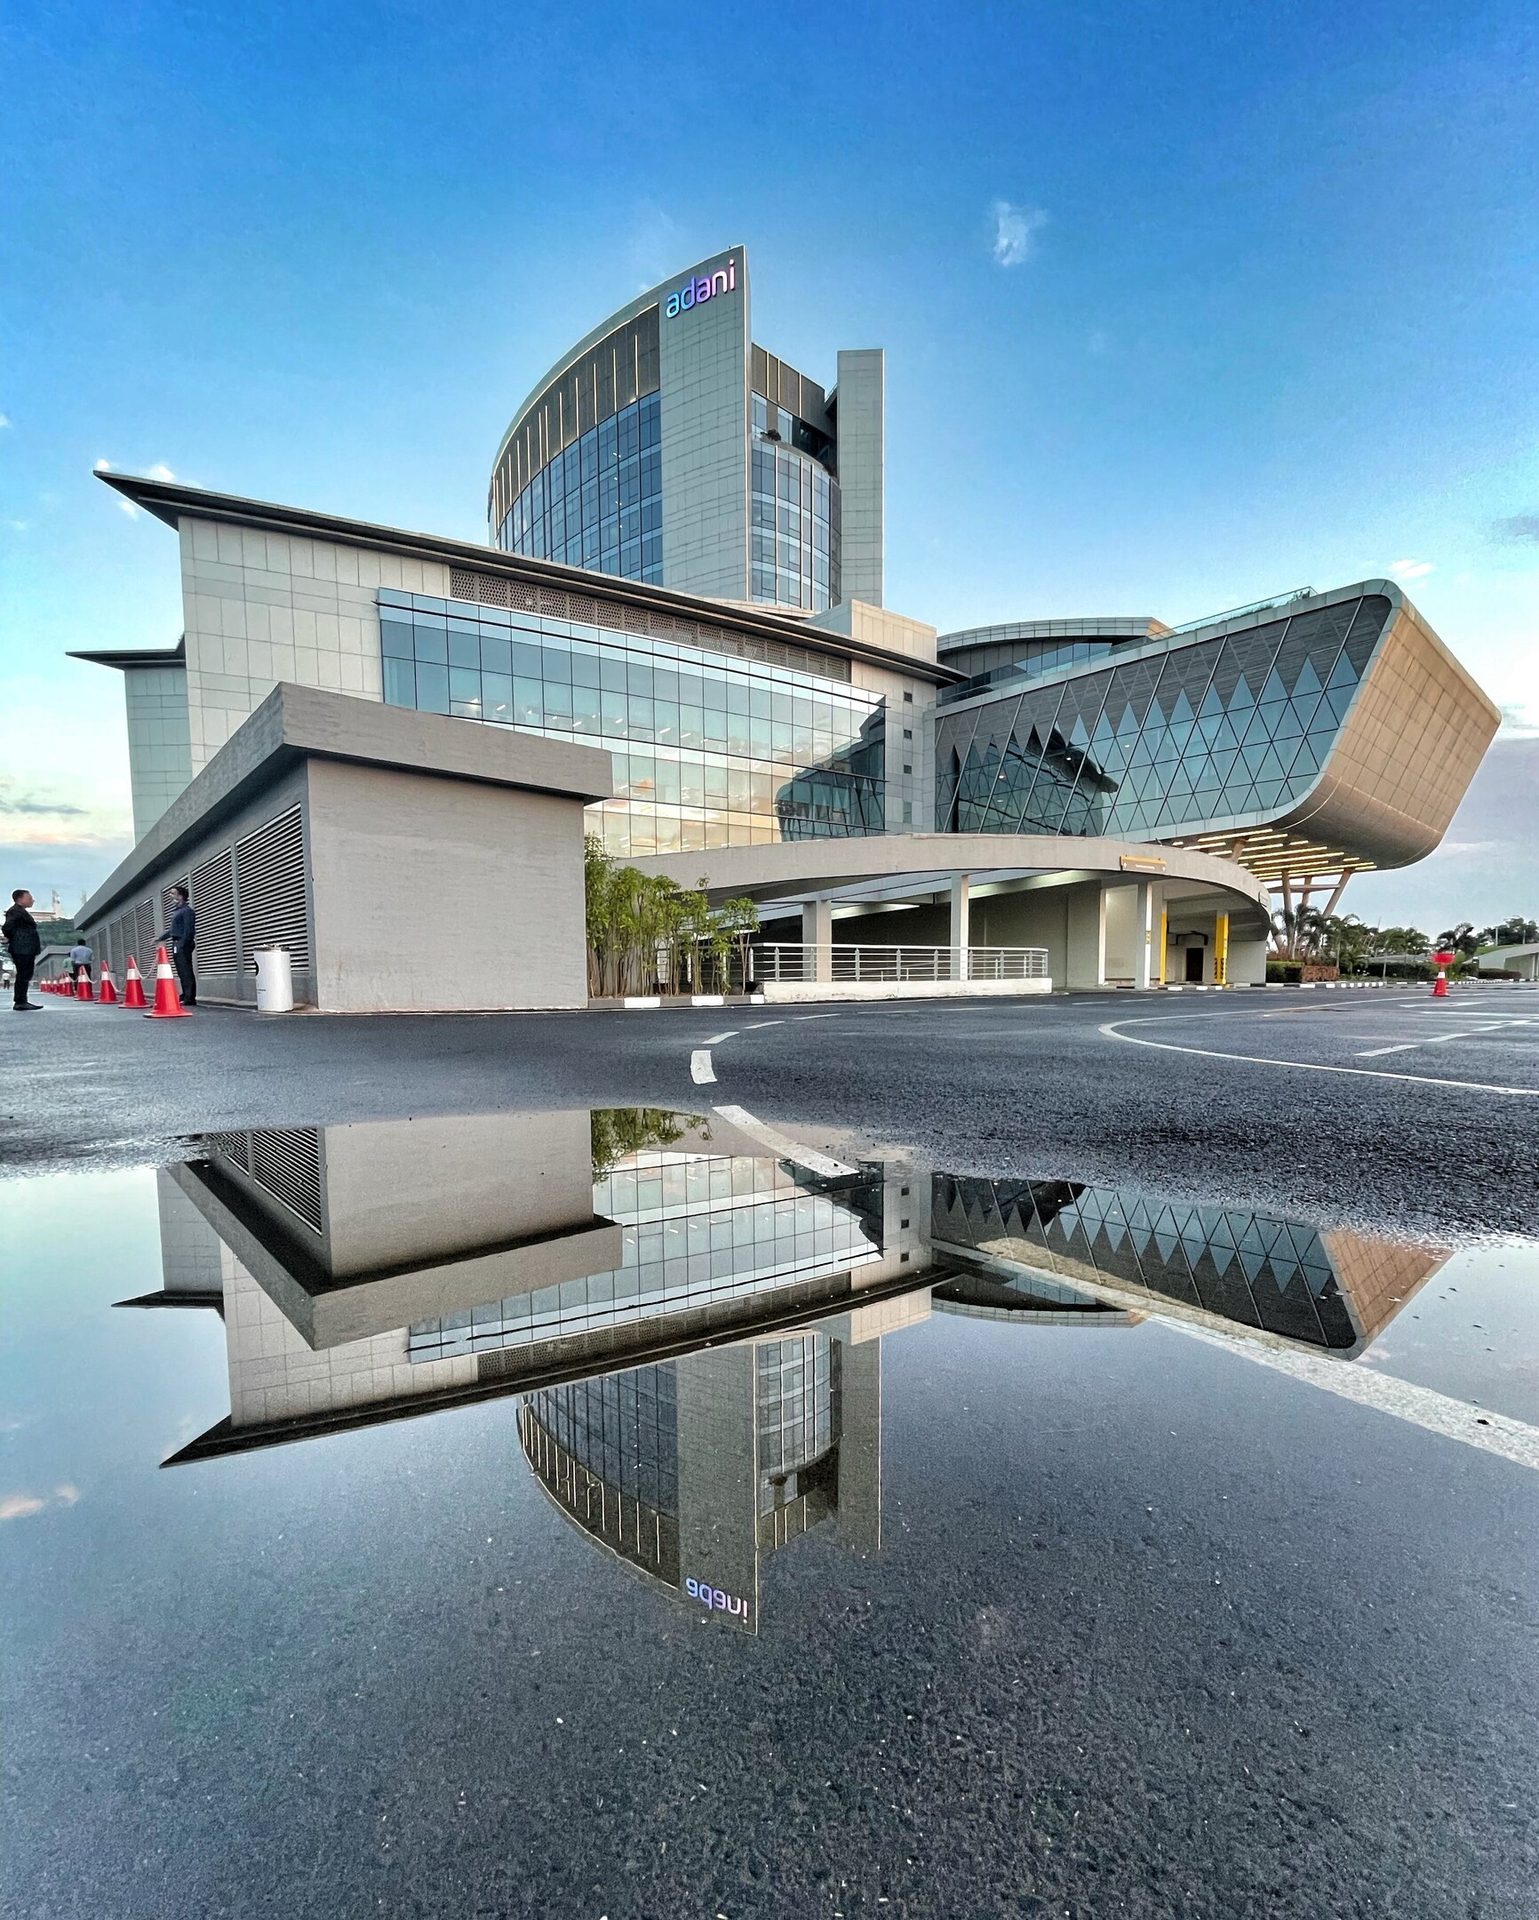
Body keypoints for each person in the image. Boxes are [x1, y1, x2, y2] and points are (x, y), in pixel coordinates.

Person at [3, 888, 43, 1011]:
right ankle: (20, 1001)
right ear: (20, 899)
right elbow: (7, 928)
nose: (32, 900)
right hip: (22, 948)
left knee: (25, 974)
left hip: (25, 947)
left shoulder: (20, 911)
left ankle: (22, 1000)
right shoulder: (15, 911)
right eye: (29, 898)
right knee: (23, 974)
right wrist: (15, 939)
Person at [159, 885, 197, 1006]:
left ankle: (190, 997)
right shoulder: (177, 911)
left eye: (172, 893)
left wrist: (184, 944)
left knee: (186, 970)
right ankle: (185, 994)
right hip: (176, 942)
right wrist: (159, 938)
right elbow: (172, 930)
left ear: (180, 896)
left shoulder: (187, 911)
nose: (170, 895)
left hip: (182, 943)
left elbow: (189, 930)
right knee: (181, 971)